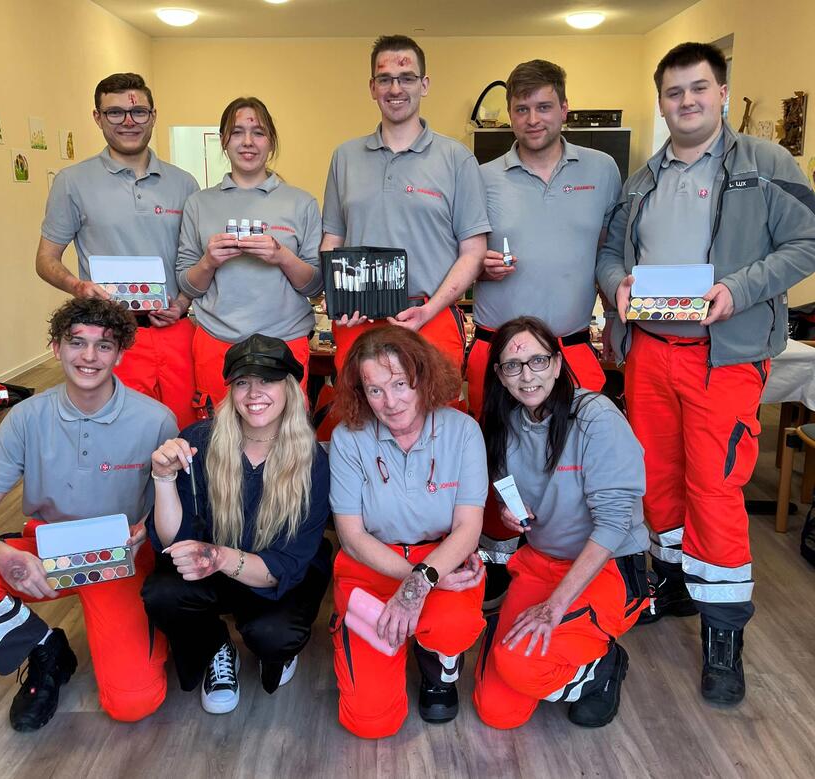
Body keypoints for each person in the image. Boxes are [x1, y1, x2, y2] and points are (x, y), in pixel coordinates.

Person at [596, 41, 815, 704]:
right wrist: (618, 289)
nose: (686, 101)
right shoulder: (642, 177)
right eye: (674, 92)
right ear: (662, 101)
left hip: (726, 354)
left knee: (715, 491)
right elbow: (609, 254)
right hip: (652, 351)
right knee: (658, 482)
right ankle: (674, 583)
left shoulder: (767, 164)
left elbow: (805, 242)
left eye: (698, 88)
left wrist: (740, 289)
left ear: (722, 92)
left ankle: (724, 633)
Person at [0, 298, 177, 731]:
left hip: (121, 557)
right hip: (47, 548)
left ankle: (139, 641)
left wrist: (146, 531)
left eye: (104, 346)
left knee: (132, 704)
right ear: (55, 348)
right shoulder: (25, 418)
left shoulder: (157, 420)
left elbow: (172, 507)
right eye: (76, 342)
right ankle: (44, 647)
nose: (89, 356)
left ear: (121, 354)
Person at [472, 317, 649, 729]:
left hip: (606, 566)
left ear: (556, 363)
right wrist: (505, 512)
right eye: (513, 365)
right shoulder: (504, 423)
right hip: (541, 560)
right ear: (499, 373)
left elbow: (613, 525)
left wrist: (554, 607)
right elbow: (509, 493)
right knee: (497, 711)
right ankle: (535, 649)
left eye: (537, 361)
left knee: (522, 668)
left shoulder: (595, 417)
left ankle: (605, 667)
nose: (527, 375)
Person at [141, 333, 330, 714]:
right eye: (243, 382)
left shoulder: (312, 458)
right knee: (162, 592)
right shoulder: (199, 440)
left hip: (277, 577)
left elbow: (287, 565)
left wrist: (222, 557)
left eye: (268, 380)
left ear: (290, 388)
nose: (253, 393)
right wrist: (162, 480)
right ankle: (215, 646)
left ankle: (272, 650)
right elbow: (173, 541)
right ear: (230, 389)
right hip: (215, 572)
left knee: (275, 636)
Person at [328, 326, 487, 738]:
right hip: (371, 563)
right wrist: (413, 582)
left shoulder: (463, 431)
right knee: (370, 721)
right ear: (361, 391)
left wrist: (425, 578)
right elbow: (351, 537)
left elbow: (468, 528)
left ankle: (437, 667)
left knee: (452, 625)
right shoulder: (348, 438)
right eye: (375, 389)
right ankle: (367, 632)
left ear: (422, 376)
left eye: (400, 383)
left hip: (442, 561)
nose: (390, 401)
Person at [36, 72, 200, 430]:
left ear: (153, 116)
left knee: (185, 428)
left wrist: (184, 303)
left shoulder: (184, 183)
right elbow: (46, 259)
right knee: (119, 431)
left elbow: (197, 261)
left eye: (139, 112)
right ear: (97, 117)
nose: (128, 122)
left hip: (176, 330)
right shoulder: (72, 182)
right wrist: (78, 288)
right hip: (109, 334)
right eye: (114, 113)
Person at [321, 35, 490, 373]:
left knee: (435, 423)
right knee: (361, 422)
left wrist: (429, 311)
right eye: (385, 79)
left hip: (431, 318)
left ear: (424, 84)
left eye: (407, 78)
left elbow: (473, 252)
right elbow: (332, 241)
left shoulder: (456, 158)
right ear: (372, 87)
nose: (395, 88)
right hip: (359, 323)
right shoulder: (345, 158)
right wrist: (337, 295)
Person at [467, 59, 623, 419]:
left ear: (565, 109)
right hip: (498, 355)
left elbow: (608, 251)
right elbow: (460, 257)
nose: (533, 119)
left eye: (543, 107)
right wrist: (480, 267)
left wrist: (614, 313)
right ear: (510, 114)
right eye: (521, 109)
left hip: (571, 350)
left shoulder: (602, 169)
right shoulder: (480, 178)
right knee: (494, 463)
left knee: (576, 461)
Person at [176, 97, 323, 411]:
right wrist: (209, 261)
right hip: (217, 342)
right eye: (237, 132)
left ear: (271, 141)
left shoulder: (302, 203)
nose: (247, 142)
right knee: (217, 439)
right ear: (223, 141)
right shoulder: (199, 204)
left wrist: (282, 255)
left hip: (285, 341)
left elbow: (315, 286)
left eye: (258, 132)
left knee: (286, 441)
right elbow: (188, 285)